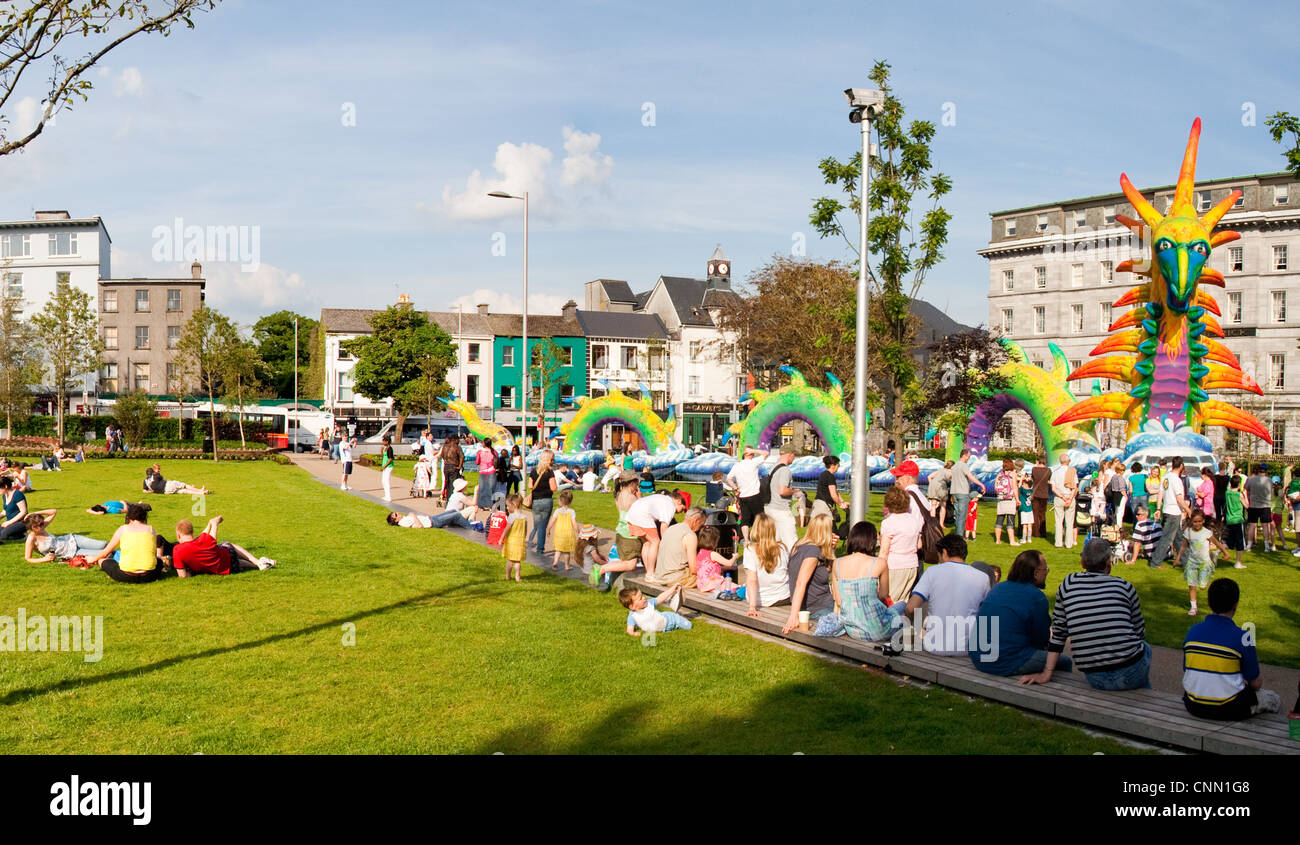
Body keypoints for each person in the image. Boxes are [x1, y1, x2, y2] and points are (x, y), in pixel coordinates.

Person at [1020, 537, 1151, 691]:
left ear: (1083, 563)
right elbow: (1139, 631)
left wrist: (1046, 673)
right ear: (1109, 564)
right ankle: (1145, 695)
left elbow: (1059, 634)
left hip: (1095, 676)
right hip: (1132, 671)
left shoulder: (1068, 584)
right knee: (1144, 647)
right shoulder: (1124, 586)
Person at [1182, 578, 1282, 720]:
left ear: (1209, 603)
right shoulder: (1243, 637)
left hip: (1193, 705)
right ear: (1236, 605)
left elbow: (1187, 669)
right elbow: (1256, 683)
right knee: (1274, 699)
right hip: (1229, 708)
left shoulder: (1193, 632)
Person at [970, 549, 1072, 676]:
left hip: (978, 657)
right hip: (1005, 661)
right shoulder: (1036, 597)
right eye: (1046, 570)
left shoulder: (998, 588)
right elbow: (1042, 639)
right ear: (1035, 573)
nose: (1046, 574)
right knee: (1064, 661)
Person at [902, 533, 992, 655]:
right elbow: (987, 616)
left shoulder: (932, 572)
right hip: (968, 648)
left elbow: (910, 607)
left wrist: (910, 633)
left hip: (934, 646)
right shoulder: (983, 578)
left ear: (944, 553)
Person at [813, 521, 904, 642]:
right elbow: (883, 595)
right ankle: (913, 644)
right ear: (871, 541)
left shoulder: (837, 563)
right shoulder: (880, 563)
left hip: (853, 630)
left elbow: (838, 600)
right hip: (878, 630)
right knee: (903, 605)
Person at [781, 513, 837, 633]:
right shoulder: (813, 552)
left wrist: (831, 549)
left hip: (808, 607)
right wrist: (793, 617)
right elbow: (801, 583)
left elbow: (825, 571)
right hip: (818, 608)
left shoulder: (799, 546)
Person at [88, 503, 169, 583]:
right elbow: (153, 554)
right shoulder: (151, 530)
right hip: (149, 575)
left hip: (126, 575)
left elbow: (105, 552)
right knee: (159, 561)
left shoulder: (123, 529)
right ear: (144, 517)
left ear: (129, 517)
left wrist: (92, 559)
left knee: (102, 561)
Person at [172, 516, 274, 576]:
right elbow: (209, 536)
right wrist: (214, 523)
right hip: (227, 558)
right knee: (228, 545)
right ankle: (258, 562)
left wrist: (211, 524)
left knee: (236, 562)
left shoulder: (177, 550)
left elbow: (183, 576)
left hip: (227, 568)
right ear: (192, 532)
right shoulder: (204, 541)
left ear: (178, 535)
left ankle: (260, 564)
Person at [1175, 510, 1227, 616]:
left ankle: (1212, 558)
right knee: (1192, 585)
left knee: (1202, 587)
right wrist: (1178, 558)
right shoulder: (1188, 532)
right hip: (1192, 563)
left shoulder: (1206, 533)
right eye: (1195, 521)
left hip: (1204, 563)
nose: (1197, 524)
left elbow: (1216, 542)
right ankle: (1193, 607)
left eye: (1199, 521)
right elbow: (1184, 546)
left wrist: (1225, 552)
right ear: (1191, 522)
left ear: (1203, 521)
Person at [625, 490, 687, 579]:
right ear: (679, 501)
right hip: (643, 516)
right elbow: (664, 527)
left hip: (632, 514)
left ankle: (648, 571)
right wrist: (666, 543)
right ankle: (651, 573)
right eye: (683, 508)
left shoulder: (663, 499)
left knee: (647, 543)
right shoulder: (670, 506)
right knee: (655, 542)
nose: (681, 512)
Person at [877, 485, 922, 604]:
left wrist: (878, 570)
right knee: (904, 601)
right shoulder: (914, 520)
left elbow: (884, 551)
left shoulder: (888, 523)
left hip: (895, 565)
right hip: (912, 565)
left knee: (890, 600)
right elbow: (919, 545)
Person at [743, 512, 791, 616]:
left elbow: (752, 580)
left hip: (761, 600)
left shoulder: (750, 550)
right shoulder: (783, 549)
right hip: (783, 597)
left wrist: (752, 607)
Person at [23, 510, 108, 564]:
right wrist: (44, 559)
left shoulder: (42, 527)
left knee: (103, 545)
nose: (42, 526)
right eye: (38, 525)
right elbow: (28, 558)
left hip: (73, 540)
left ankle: (117, 551)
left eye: (42, 523)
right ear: (32, 527)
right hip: (71, 553)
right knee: (104, 554)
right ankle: (118, 555)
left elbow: (53, 511)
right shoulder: (31, 539)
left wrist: (35, 513)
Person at [652, 506, 705, 591]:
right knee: (710, 576)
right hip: (675, 579)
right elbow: (694, 569)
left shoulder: (671, 528)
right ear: (696, 520)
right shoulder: (690, 535)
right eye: (701, 525)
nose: (700, 528)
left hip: (660, 575)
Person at [1150, 457, 1190, 567]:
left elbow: (1160, 493)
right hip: (1174, 511)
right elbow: (1179, 498)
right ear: (1181, 466)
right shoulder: (1176, 480)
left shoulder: (1165, 477)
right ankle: (1155, 562)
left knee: (1178, 538)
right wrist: (1189, 510)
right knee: (1167, 538)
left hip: (1167, 510)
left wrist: (1158, 509)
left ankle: (1186, 560)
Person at [726, 446, 767, 542]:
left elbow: (728, 479)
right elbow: (765, 453)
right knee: (760, 518)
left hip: (743, 496)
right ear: (751, 454)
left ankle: (746, 540)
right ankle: (761, 538)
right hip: (755, 495)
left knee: (745, 519)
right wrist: (753, 450)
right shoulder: (753, 462)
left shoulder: (737, 465)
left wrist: (735, 488)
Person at [621, 584, 691, 636]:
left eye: (642, 596)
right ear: (632, 606)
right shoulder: (632, 617)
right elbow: (629, 630)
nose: (644, 598)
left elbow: (660, 598)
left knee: (688, 626)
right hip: (662, 627)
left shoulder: (649, 604)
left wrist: (671, 590)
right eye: (640, 598)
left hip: (670, 619)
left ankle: (678, 617)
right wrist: (634, 633)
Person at [527, 450, 558, 557]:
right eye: (552, 459)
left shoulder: (533, 471)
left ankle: (529, 544)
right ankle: (540, 549)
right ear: (548, 460)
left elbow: (530, 486)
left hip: (535, 501)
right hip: (546, 501)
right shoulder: (549, 472)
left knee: (536, 525)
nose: (553, 461)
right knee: (542, 527)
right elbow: (554, 488)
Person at [949, 448, 986, 536]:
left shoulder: (954, 466)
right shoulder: (964, 465)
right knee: (962, 516)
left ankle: (957, 533)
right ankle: (959, 536)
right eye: (968, 457)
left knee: (957, 515)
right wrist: (981, 484)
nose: (969, 458)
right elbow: (970, 477)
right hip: (962, 492)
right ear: (964, 456)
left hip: (954, 492)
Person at [693, 524, 738, 596]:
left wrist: (729, 568)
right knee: (737, 588)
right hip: (713, 584)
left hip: (703, 584)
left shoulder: (701, 552)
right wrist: (735, 557)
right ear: (713, 541)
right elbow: (729, 563)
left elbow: (711, 568)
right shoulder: (712, 554)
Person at [500, 494, 531, 582]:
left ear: (514, 505)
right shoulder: (524, 517)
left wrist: (501, 537)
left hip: (512, 541)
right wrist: (524, 537)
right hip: (520, 541)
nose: (507, 507)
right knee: (517, 561)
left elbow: (507, 528)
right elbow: (525, 529)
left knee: (510, 560)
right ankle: (517, 577)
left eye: (508, 506)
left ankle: (508, 576)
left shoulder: (512, 516)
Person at [1050, 453, 1078, 549]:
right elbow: (1075, 487)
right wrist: (1069, 498)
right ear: (1068, 461)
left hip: (1059, 497)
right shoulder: (1072, 472)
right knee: (1069, 522)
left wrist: (1062, 497)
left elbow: (1053, 488)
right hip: (1069, 497)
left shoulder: (1055, 473)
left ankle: (1058, 543)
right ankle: (1069, 543)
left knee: (1058, 521)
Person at [1243, 464, 1273, 552]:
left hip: (1254, 505)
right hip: (1265, 505)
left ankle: (1249, 545)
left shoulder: (1251, 480)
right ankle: (1266, 546)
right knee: (1265, 526)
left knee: (1252, 525)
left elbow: (1246, 488)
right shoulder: (1269, 480)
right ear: (1266, 471)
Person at [547, 489, 578, 572]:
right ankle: (567, 566)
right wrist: (577, 530)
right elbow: (574, 523)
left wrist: (548, 529)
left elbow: (552, 521)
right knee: (567, 552)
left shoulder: (557, 511)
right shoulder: (572, 512)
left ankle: (555, 563)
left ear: (560, 501)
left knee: (558, 550)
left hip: (559, 533)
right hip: (568, 534)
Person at [813, 455, 847, 528]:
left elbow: (836, 492)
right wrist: (841, 505)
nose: (838, 467)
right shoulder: (830, 476)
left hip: (818, 504)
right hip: (823, 507)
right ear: (832, 465)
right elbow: (833, 494)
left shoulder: (824, 474)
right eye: (838, 465)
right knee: (827, 530)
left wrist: (842, 502)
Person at [993, 458, 1019, 546]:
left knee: (999, 519)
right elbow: (1015, 487)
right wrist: (1017, 499)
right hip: (1010, 499)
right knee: (1010, 520)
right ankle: (1012, 541)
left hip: (1001, 499)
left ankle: (997, 540)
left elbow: (995, 487)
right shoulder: (1013, 474)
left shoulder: (1000, 474)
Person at [0, 476, 30, 541]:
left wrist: (9, 522)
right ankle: (17, 534)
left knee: (3, 535)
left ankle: (23, 536)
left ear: (5, 486)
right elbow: (5, 511)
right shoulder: (4, 495)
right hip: (11, 522)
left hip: (22, 522)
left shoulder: (17, 494)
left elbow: (23, 512)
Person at [1030, 454, 1051, 539]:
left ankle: (1036, 532)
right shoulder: (1048, 470)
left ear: (1038, 461)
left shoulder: (1034, 469)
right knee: (1042, 514)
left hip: (1036, 494)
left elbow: (1033, 479)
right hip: (1044, 494)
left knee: (1035, 513)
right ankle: (1043, 532)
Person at [927, 460, 952, 527]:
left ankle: (932, 523)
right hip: (941, 486)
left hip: (933, 486)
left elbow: (929, 476)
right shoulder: (950, 471)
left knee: (933, 505)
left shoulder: (940, 470)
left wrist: (931, 484)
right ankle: (941, 524)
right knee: (943, 505)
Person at [441, 436, 464, 501]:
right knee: (453, 484)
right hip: (454, 466)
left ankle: (447, 498)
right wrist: (460, 466)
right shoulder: (457, 447)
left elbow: (442, 455)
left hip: (446, 466)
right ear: (455, 440)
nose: (459, 441)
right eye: (458, 440)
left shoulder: (445, 446)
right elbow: (462, 457)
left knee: (447, 484)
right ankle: (452, 500)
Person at [1017, 463, 1034, 544]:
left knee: (1025, 525)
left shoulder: (1023, 491)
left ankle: (1024, 539)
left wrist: (1022, 478)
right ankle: (1029, 538)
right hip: (1030, 510)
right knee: (1030, 525)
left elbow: (1019, 485)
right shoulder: (1031, 491)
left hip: (1024, 509)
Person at [379, 436, 395, 502]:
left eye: (384, 441)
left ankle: (388, 496)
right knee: (383, 481)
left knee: (386, 481)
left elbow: (390, 459)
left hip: (388, 467)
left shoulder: (390, 449)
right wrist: (381, 452)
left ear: (387, 441)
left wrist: (384, 466)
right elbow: (383, 458)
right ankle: (386, 495)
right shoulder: (386, 448)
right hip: (385, 467)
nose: (383, 442)